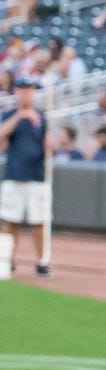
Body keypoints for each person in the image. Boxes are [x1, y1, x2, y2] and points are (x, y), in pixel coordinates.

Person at [0, 79, 51, 276]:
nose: (25, 94)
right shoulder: (10, 114)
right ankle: (7, 261)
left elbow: (46, 143)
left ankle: (42, 262)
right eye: (22, 90)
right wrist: (20, 115)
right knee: (10, 220)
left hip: (36, 175)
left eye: (28, 90)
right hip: (14, 175)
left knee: (39, 221)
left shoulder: (42, 118)